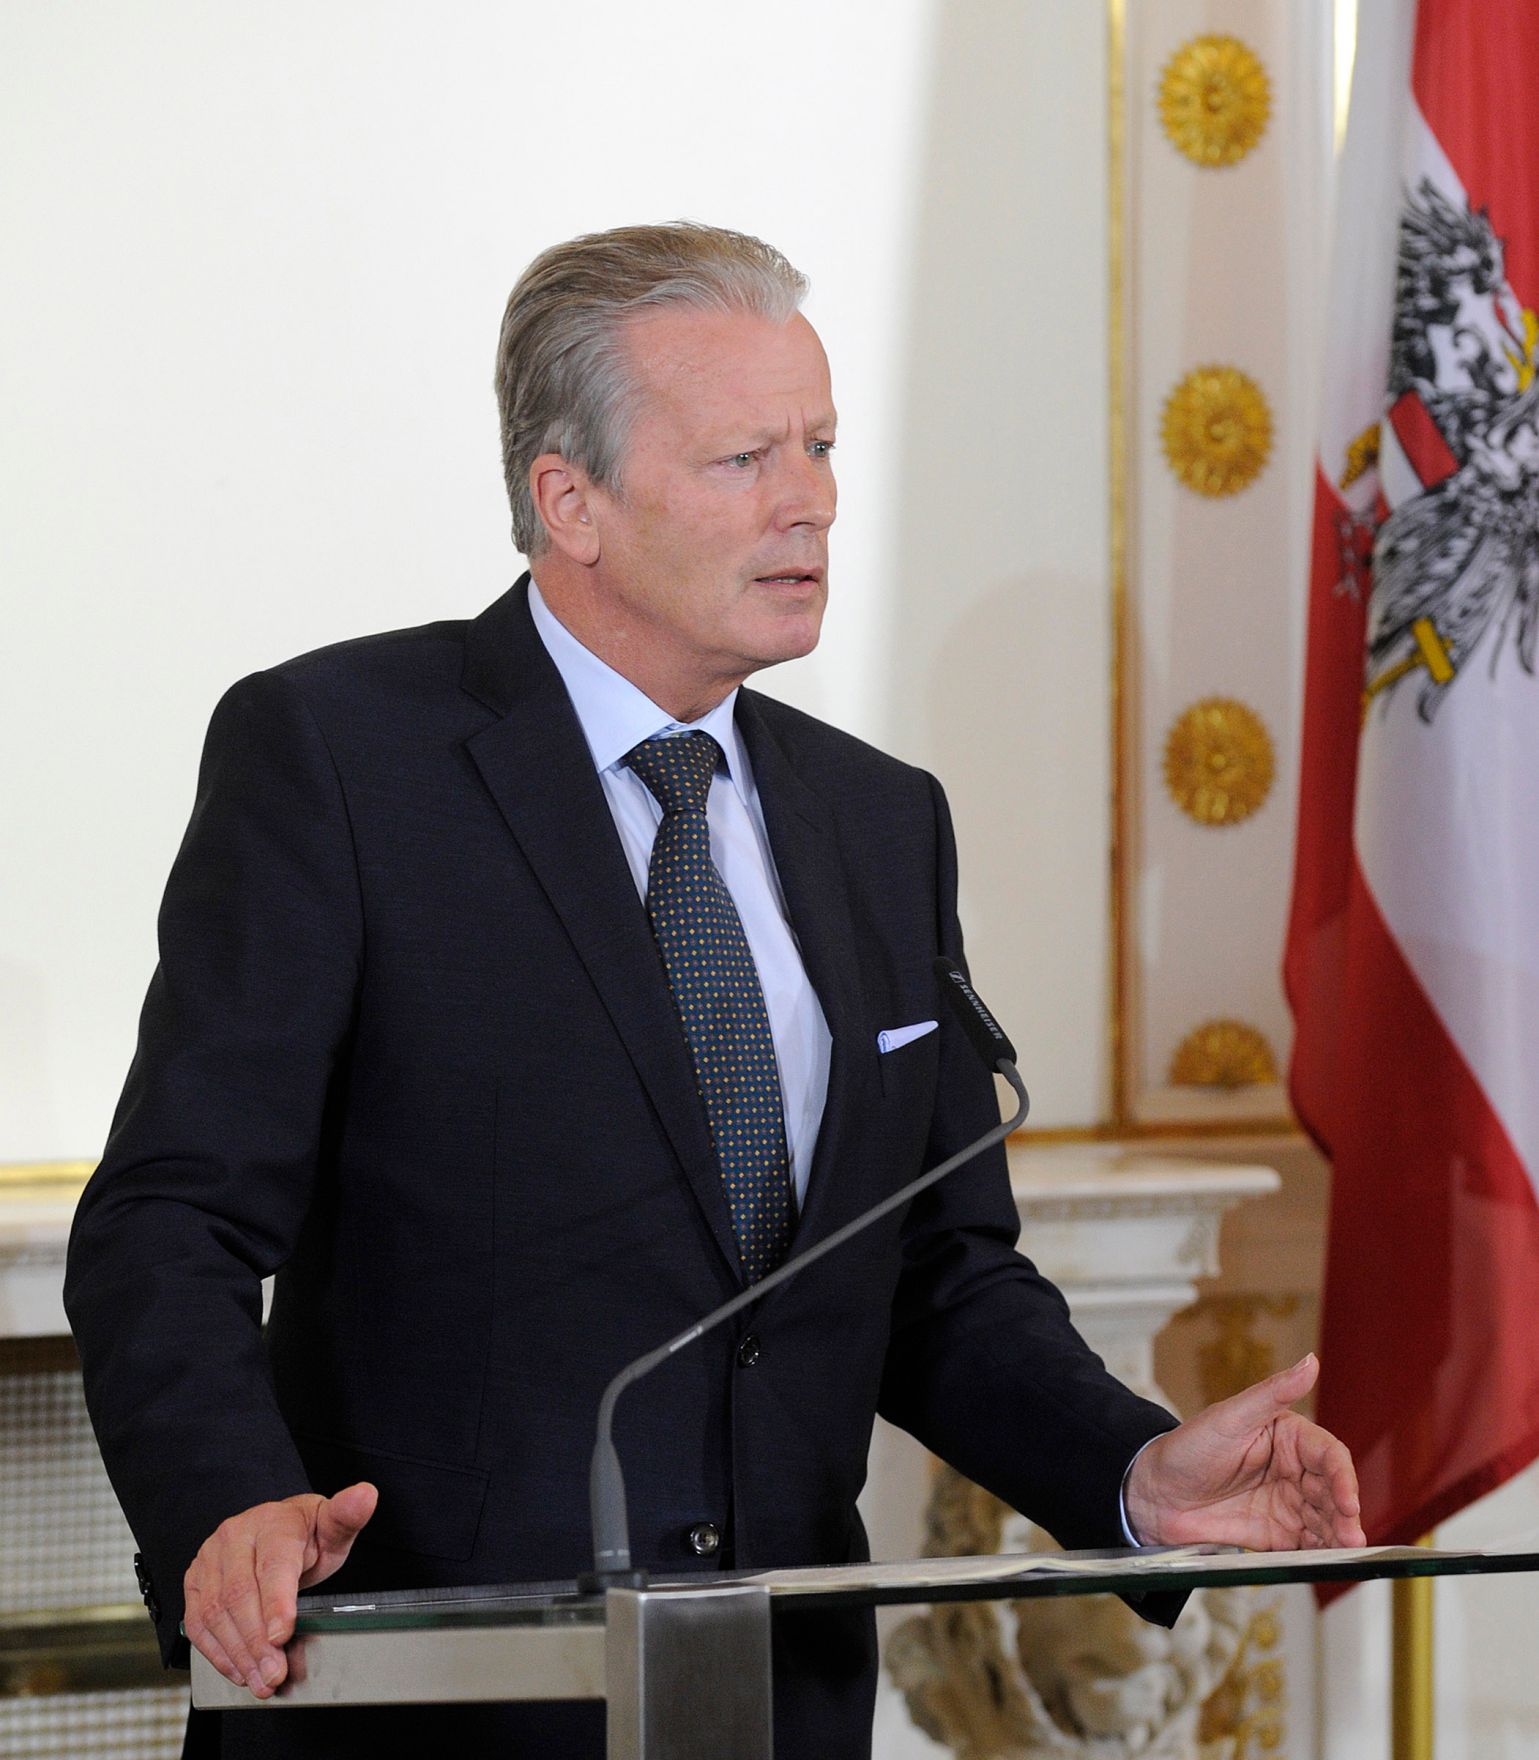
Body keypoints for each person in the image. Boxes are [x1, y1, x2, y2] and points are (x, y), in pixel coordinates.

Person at [64, 222, 1363, 1760]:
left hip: (773, 1702)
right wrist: (229, 1504)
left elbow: (938, 1273)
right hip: (427, 1704)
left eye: (819, 446)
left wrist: (1132, 1477)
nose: (809, 499)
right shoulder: (343, 760)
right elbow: (170, 1217)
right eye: (744, 458)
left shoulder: (880, 820)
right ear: (571, 500)